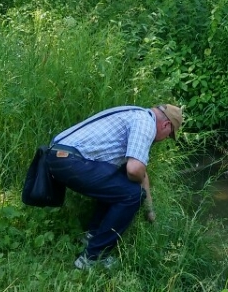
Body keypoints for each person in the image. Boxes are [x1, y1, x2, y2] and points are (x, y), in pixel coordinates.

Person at [45, 104, 183, 269]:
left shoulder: (137, 114)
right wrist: (142, 196)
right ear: (166, 125)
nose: (166, 138)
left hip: (58, 155)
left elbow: (141, 174)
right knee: (132, 194)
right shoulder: (145, 123)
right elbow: (135, 169)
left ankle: (92, 236)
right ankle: (93, 257)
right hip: (69, 160)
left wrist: (150, 210)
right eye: (169, 135)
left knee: (121, 183)